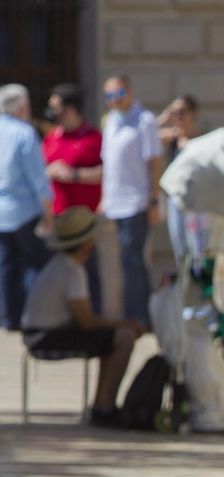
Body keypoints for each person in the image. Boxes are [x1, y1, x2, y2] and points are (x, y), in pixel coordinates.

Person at [20, 206, 141, 426]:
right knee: (123, 337)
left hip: (42, 333)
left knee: (113, 336)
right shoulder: (71, 270)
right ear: (86, 243)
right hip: (45, 336)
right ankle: (104, 407)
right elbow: (87, 322)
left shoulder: (62, 265)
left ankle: (102, 403)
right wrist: (126, 324)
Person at [100, 73, 162, 328]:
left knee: (133, 260)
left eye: (119, 94)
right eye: (109, 96)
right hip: (114, 202)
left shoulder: (145, 121)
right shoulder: (111, 121)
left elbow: (155, 162)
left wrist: (154, 200)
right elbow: (109, 164)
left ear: (130, 92)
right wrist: (104, 198)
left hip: (135, 202)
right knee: (124, 261)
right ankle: (135, 313)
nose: (115, 100)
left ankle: (141, 315)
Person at [42, 85, 104, 311]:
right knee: (60, 274)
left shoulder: (93, 137)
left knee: (87, 273)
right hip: (58, 217)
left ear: (70, 109)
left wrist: (75, 175)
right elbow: (40, 170)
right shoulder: (52, 137)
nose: (52, 113)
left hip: (83, 220)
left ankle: (92, 318)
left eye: (56, 108)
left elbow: (107, 173)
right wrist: (49, 173)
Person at [0, 84, 53, 332]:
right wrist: (48, 212)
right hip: (23, 211)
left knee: (6, 266)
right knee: (36, 263)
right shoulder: (24, 133)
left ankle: (9, 318)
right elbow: (38, 178)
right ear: (23, 107)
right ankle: (34, 316)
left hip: (2, 212)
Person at [158, 94, 200, 262]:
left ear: (193, 113)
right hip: (175, 200)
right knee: (180, 250)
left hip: (196, 203)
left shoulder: (199, 140)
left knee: (196, 249)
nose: (178, 117)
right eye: (174, 113)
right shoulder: (170, 139)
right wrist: (162, 119)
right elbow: (140, 135)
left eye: (182, 112)